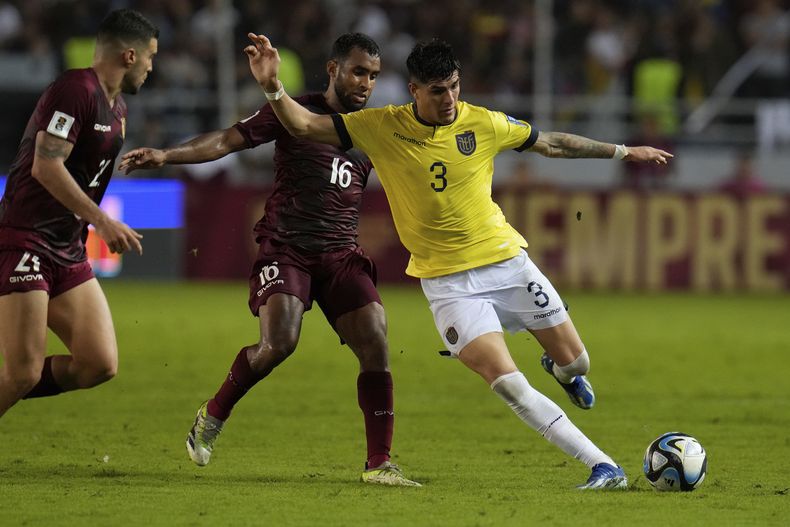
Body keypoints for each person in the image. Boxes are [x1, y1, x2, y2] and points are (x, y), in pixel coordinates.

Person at [243, 33, 673, 489]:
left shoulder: (483, 123)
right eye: (437, 90)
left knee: (578, 362)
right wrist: (273, 87)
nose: (448, 99)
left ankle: (563, 371)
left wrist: (624, 151)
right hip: (448, 286)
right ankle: (603, 465)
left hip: (508, 264)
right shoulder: (381, 126)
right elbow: (305, 126)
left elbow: (552, 143)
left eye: (453, 86)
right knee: (507, 382)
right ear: (415, 91)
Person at [119, 33, 420, 487]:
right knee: (279, 343)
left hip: (340, 253)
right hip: (288, 247)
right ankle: (213, 414)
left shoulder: (374, 128)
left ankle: (378, 463)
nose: (366, 83)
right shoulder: (292, 111)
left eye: (374, 75)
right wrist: (167, 154)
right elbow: (226, 140)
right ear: (334, 69)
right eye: (359, 71)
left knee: (376, 339)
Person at [0, 10, 158, 419]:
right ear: (128, 55)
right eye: (149, 57)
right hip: (25, 239)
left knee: (98, 363)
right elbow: (45, 166)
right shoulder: (75, 89)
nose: (150, 67)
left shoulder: (118, 109)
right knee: (21, 375)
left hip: (65, 249)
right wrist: (102, 220)